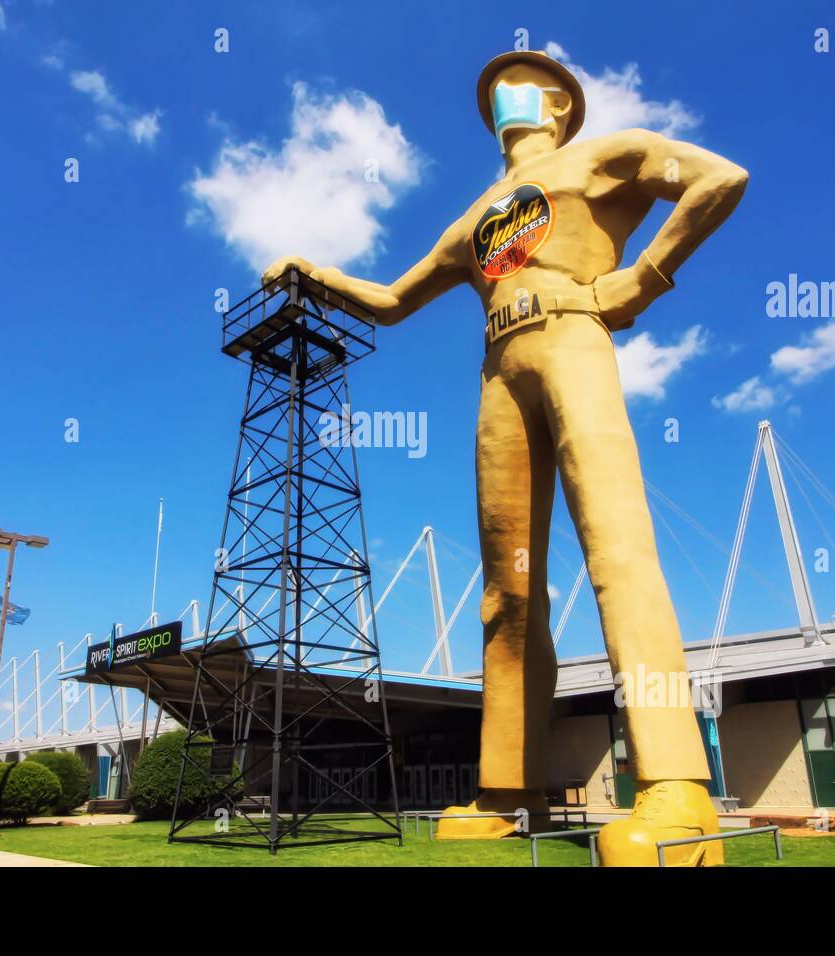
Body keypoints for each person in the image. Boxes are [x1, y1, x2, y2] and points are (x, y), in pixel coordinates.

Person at [262, 50, 748, 865]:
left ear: (560, 105)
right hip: (499, 373)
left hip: (573, 339)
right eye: (493, 93)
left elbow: (719, 179)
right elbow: (393, 301)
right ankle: (508, 787)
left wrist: (646, 276)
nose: (504, 100)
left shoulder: (604, 155)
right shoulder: (474, 220)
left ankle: (676, 785)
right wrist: (315, 273)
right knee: (507, 595)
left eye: (521, 86)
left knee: (618, 551)